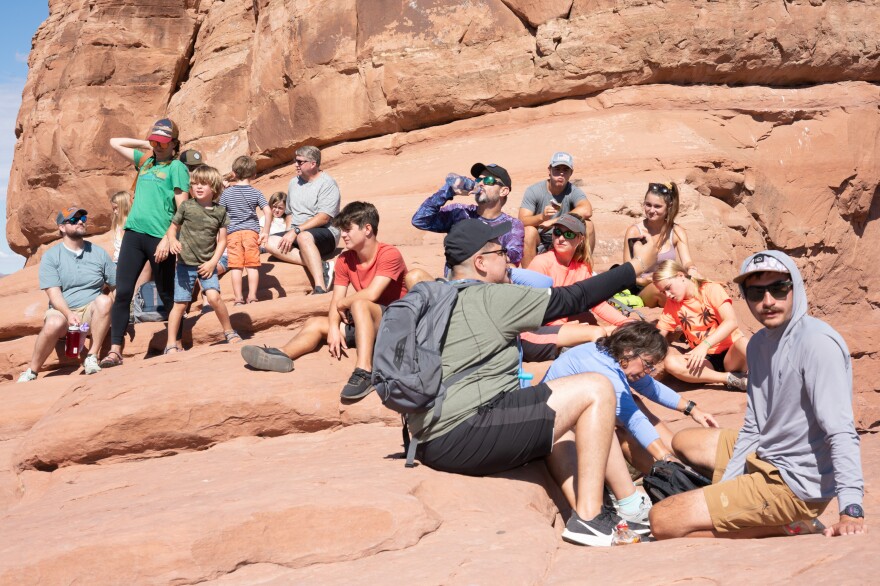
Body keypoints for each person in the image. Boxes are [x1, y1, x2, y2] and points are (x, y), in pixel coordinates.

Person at [407, 218, 660, 547]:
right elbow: (573, 298)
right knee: (597, 387)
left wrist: (600, 333)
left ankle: (610, 509)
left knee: (566, 414)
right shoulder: (491, 299)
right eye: (501, 252)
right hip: (464, 433)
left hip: (432, 436)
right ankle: (589, 517)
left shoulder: (442, 298)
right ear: (480, 263)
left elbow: (536, 341)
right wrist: (636, 265)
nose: (509, 258)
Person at [650, 251, 866, 540]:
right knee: (684, 440)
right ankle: (737, 501)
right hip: (765, 454)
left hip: (794, 484)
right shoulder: (758, 345)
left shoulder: (817, 344)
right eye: (756, 292)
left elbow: (840, 430)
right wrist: (726, 486)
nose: (768, 301)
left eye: (778, 288)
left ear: (795, 287)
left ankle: (787, 525)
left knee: (663, 520)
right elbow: (754, 424)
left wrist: (851, 508)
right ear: (745, 295)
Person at [241, 202, 408, 400]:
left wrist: (343, 304)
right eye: (342, 230)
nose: (343, 235)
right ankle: (281, 355)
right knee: (316, 323)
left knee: (359, 303)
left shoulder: (389, 254)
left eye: (348, 230)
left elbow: (371, 294)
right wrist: (334, 329)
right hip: (368, 323)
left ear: (367, 229)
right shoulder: (345, 260)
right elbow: (336, 299)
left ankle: (365, 372)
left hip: (397, 323)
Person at [543, 322, 718, 482]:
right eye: (648, 364)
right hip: (556, 429)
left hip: (575, 417)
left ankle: (683, 460)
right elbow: (633, 419)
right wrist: (663, 456)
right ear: (628, 350)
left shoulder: (614, 356)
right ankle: (671, 476)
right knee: (622, 431)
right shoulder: (603, 368)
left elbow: (651, 388)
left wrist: (693, 410)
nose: (649, 371)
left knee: (633, 402)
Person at [104, 118, 190, 368]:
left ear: (174, 143)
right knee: (122, 293)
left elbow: (182, 208)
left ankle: (175, 341)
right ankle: (115, 351)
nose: (158, 146)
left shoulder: (177, 168)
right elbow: (114, 142)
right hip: (133, 234)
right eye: (155, 142)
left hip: (159, 237)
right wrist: (148, 142)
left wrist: (169, 237)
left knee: (167, 292)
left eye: (163, 142)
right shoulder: (146, 161)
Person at [19, 207, 116, 381]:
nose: (80, 221)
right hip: (63, 313)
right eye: (73, 220)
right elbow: (54, 294)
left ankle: (92, 357)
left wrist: (120, 312)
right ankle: (32, 371)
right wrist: (69, 314)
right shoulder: (51, 256)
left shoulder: (98, 253)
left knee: (104, 301)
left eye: (83, 218)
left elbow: (115, 286)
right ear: (62, 227)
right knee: (54, 322)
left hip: (89, 314)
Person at [519, 214, 633, 360]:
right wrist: (563, 325)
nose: (561, 238)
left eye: (568, 234)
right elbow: (534, 308)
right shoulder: (541, 263)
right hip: (536, 331)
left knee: (608, 332)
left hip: (564, 328)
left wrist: (625, 322)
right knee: (598, 334)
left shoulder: (582, 268)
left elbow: (597, 302)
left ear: (580, 239)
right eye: (557, 232)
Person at [164, 165, 239, 352]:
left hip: (207, 264)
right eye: (195, 183)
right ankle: (171, 343)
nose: (198, 187)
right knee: (180, 304)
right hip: (184, 265)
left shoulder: (220, 211)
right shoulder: (186, 207)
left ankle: (229, 332)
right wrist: (172, 240)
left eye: (203, 184)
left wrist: (213, 262)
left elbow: (222, 241)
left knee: (214, 297)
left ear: (213, 187)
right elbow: (173, 228)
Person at [652, 260, 749, 391]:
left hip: (731, 354)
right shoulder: (672, 304)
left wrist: (704, 346)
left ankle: (770, 377)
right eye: (663, 292)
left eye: (668, 288)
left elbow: (731, 321)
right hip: (705, 361)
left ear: (681, 276)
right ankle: (729, 379)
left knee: (744, 342)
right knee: (671, 363)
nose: (668, 295)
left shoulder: (710, 289)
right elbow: (660, 333)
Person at [411, 163, 525, 266]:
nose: (480, 184)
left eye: (488, 180)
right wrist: (448, 192)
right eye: (478, 180)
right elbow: (420, 220)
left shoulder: (512, 225)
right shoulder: (459, 212)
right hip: (455, 284)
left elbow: (513, 256)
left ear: (503, 191)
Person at [264, 145, 340, 294]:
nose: (296, 165)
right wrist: (288, 233)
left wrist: (296, 231)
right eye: (295, 160)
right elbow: (290, 212)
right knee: (268, 242)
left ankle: (320, 287)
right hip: (298, 232)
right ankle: (322, 265)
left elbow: (324, 217)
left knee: (304, 237)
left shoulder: (327, 184)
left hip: (326, 232)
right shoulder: (294, 183)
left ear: (313, 164)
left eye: (300, 161)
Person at [622, 182, 700, 308]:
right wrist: (643, 280)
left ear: (668, 207)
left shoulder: (676, 232)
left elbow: (687, 262)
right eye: (648, 205)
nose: (651, 210)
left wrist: (692, 270)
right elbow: (625, 274)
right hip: (642, 288)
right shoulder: (634, 231)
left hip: (669, 283)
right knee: (661, 289)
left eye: (657, 206)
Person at [518, 152, 593, 268]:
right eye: (557, 169)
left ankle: (584, 269)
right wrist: (542, 217)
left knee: (588, 225)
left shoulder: (572, 190)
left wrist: (554, 221)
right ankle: (530, 279)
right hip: (541, 238)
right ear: (549, 170)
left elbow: (587, 210)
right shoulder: (534, 191)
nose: (561, 173)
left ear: (571, 173)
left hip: (566, 236)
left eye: (565, 170)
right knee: (528, 232)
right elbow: (522, 221)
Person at [219, 155, 271, 305]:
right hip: (251, 233)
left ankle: (238, 298)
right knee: (252, 265)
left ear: (234, 173)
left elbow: (220, 215)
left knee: (236, 266)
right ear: (254, 174)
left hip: (233, 233)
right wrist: (265, 232)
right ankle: (252, 296)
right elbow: (268, 212)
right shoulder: (256, 192)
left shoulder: (227, 193)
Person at [109, 191, 132, 264]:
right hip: (117, 261)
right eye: (113, 209)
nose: (115, 212)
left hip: (127, 262)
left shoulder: (130, 224)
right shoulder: (118, 224)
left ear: (124, 205)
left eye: (116, 208)